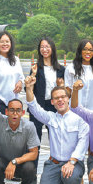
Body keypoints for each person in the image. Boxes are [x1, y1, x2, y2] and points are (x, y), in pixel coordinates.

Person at [25, 75, 89, 184]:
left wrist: (71, 162)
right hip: (53, 164)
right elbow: (33, 107)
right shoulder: (50, 118)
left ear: (68, 99)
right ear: (52, 102)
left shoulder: (79, 121)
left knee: (70, 176)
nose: (60, 100)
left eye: (63, 97)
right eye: (56, 98)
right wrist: (29, 88)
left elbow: (82, 144)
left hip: (73, 163)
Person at [27, 37, 65, 168]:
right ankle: (31, 174)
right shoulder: (36, 67)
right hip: (38, 105)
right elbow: (30, 87)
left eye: (47, 46)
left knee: (55, 140)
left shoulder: (61, 69)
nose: (45, 49)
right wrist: (33, 74)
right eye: (42, 47)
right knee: (34, 141)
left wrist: (62, 85)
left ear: (52, 48)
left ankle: (57, 170)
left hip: (54, 107)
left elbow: (64, 92)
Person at [0, 32, 24, 114]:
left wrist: (20, 82)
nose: (5, 44)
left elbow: (21, 77)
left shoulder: (16, 60)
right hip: (0, 103)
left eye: (7, 41)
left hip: (15, 104)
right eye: (2, 42)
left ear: (11, 43)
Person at [64, 39, 93, 111]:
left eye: (90, 50)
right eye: (84, 49)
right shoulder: (71, 68)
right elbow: (68, 93)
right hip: (76, 111)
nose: (88, 52)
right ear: (80, 51)